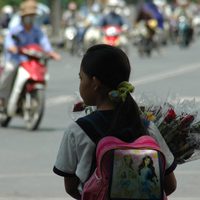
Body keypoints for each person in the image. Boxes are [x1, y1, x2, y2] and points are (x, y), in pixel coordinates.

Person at [53, 44, 177, 199]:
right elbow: (170, 185)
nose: (80, 83)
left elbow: (71, 187)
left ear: (95, 83)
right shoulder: (147, 127)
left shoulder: (77, 130)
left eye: (81, 77)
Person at [0, 0, 60, 107]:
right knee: (9, 70)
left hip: (31, 61)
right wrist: (11, 47)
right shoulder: (16, 29)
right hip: (16, 59)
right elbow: (9, 40)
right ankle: (2, 98)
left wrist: (51, 52)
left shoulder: (37, 31)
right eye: (28, 15)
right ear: (23, 16)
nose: (30, 18)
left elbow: (44, 42)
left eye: (32, 15)